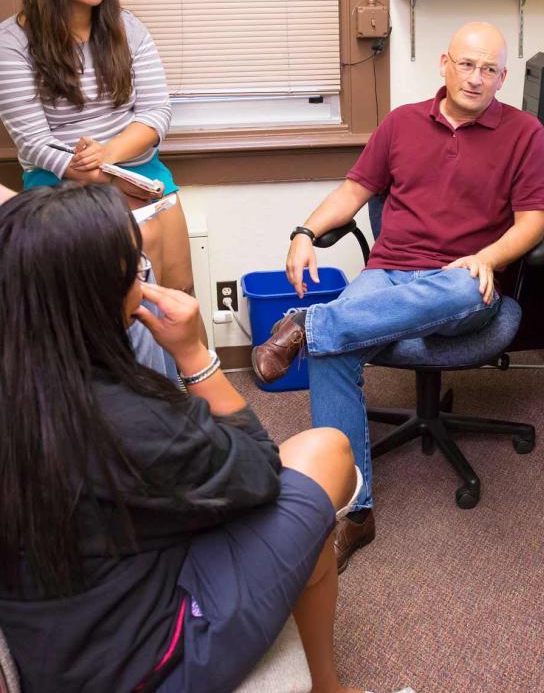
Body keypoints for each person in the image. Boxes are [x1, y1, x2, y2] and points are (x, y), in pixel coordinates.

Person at [0, 183, 380, 693]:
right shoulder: (127, 419)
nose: (144, 272)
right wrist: (195, 354)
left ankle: (326, 685)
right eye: (137, 267)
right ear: (102, 296)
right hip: (151, 662)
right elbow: (260, 470)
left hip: (63, 645)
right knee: (327, 451)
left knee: (303, 534)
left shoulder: (33, 387)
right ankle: (327, 688)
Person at [252, 22, 544, 571]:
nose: (476, 78)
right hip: (389, 272)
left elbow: (533, 223)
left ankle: (308, 323)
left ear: (503, 77)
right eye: (467, 64)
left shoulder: (524, 133)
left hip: (464, 280)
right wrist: (303, 233)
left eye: (490, 69)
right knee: (333, 346)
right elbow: (353, 190)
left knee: (406, 305)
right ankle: (354, 512)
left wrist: (488, 259)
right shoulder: (400, 123)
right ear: (444, 63)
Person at [0, 0, 195, 299]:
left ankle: (194, 361)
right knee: (127, 303)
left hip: (137, 169)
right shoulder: (12, 42)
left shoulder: (128, 29)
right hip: (59, 179)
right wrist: (96, 171)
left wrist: (109, 156)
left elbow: (156, 113)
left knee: (180, 291)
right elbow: (34, 142)